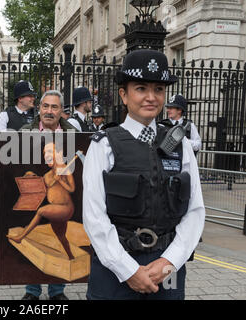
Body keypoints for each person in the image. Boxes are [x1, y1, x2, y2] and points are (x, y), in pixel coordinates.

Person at [82, 49, 205, 300]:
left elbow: (195, 210)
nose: (151, 97)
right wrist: (128, 270)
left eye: (158, 89)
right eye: (141, 88)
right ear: (124, 95)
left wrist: (169, 261)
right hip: (114, 267)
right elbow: (94, 216)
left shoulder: (180, 144)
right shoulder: (103, 144)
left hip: (167, 266)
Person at [16, 90, 75, 300]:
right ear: (39, 108)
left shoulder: (73, 134)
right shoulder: (23, 132)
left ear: (61, 111)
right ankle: (32, 291)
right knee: (38, 237)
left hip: (62, 203)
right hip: (38, 195)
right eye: (45, 106)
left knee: (59, 237)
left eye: (54, 107)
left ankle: (57, 292)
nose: (49, 111)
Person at [0, 80, 37, 250]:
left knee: (27, 203)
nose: (33, 98)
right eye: (30, 95)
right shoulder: (6, 115)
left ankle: (25, 235)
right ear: (20, 98)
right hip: (10, 167)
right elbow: (1, 140)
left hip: (29, 167)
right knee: (6, 203)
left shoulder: (36, 115)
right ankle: (1, 237)